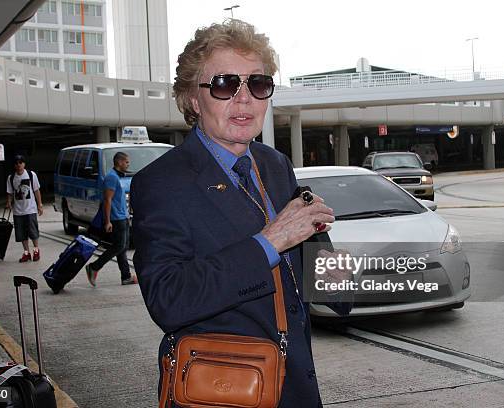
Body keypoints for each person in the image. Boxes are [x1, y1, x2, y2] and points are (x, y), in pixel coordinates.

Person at [131, 20, 347, 407]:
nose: (244, 98)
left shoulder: (276, 164)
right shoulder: (162, 181)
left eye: (258, 84)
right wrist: (268, 242)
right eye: (225, 84)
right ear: (194, 100)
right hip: (223, 389)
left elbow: (307, 262)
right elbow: (168, 298)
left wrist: (338, 275)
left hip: (294, 386)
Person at [85, 152, 137, 286]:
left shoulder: (117, 177)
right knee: (119, 246)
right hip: (116, 218)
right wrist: (107, 221)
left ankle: (126, 276)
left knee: (122, 247)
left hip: (123, 216)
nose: (128, 164)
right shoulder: (111, 178)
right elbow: (107, 200)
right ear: (119, 162)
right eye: (126, 162)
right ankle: (94, 267)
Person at [6, 155, 43, 262]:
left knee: (33, 232)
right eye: (16, 163)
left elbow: (36, 190)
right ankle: (26, 253)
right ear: (14, 165)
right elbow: (10, 192)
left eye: (21, 163)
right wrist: (8, 202)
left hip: (30, 209)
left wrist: (40, 205)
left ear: (24, 164)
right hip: (18, 211)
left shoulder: (31, 175)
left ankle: (36, 251)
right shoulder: (11, 178)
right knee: (21, 234)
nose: (19, 165)